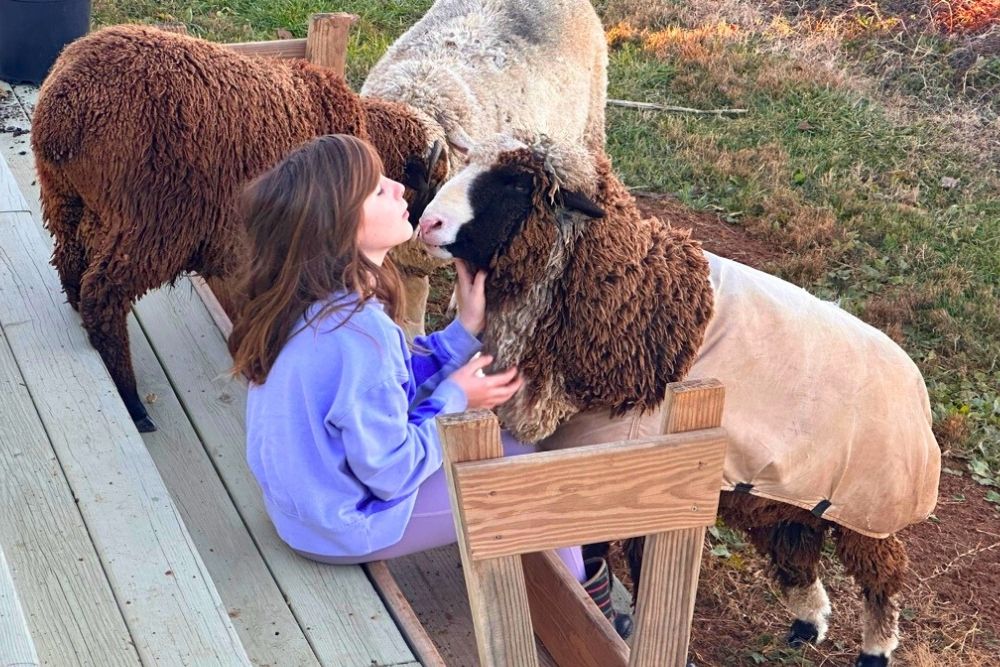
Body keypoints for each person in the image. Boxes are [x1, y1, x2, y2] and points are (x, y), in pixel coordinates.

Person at [226, 134, 596, 581]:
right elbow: (391, 471)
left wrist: (462, 334)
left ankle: (554, 583)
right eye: (379, 190)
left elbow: (386, 389)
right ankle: (580, 611)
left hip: (305, 507)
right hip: (343, 526)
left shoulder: (316, 303)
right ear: (340, 224)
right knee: (544, 483)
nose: (400, 187)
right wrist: (456, 397)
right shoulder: (359, 335)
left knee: (519, 448)